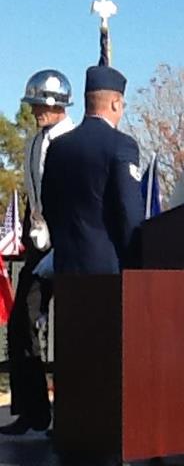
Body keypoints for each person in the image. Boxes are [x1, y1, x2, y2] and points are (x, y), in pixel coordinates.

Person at [0, 70, 75, 435]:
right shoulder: (33, 142)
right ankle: (32, 411)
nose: (36, 112)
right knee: (20, 324)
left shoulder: (72, 140)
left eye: (41, 105)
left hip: (70, 244)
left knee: (74, 329)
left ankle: (75, 412)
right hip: (40, 243)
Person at [42, 65, 144, 274]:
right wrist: (136, 261)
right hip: (107, 268)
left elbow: (49, 205)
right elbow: (129, 211)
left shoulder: (58, 147)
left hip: (65, 265)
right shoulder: (122, 145)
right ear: (116, 103)